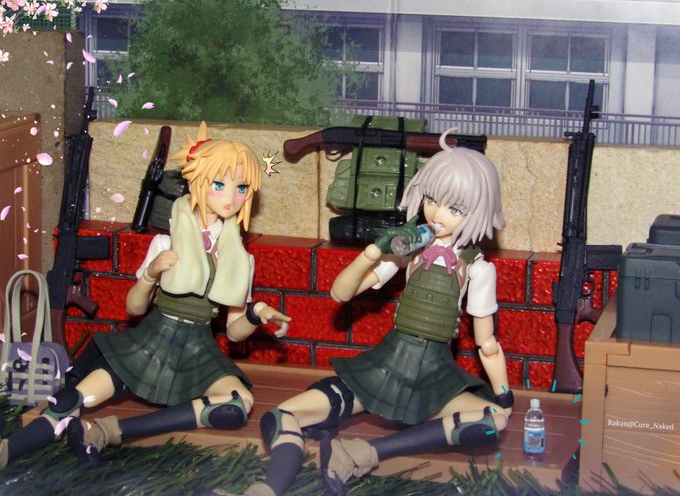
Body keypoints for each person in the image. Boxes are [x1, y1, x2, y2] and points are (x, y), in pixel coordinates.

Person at [232, 130, 512, 496]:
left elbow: (487, 343)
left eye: (454, 208)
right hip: (383, 368)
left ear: (478, 212)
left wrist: (503, 394)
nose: (437, 213)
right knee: (282, 414)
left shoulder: (478, 268)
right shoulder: (411, 247)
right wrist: (372, 253)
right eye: (431, 199)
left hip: (435, 377)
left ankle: (362, 453)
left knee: (493, 420)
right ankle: (268, 489)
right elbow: (341, 292)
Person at [0, 122, 290, 467]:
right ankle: (7, 450)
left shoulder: (238, 258)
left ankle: (106, 432)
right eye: (219, 184)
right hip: (153, 337)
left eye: (241, 187)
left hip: (198, 347)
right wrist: (151, 275)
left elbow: (234, 331)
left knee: (235, 405)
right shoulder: (167, 242)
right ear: (197, 182)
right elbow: (134, 308)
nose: (232, 197)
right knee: (74, 398)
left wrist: (257, 313)